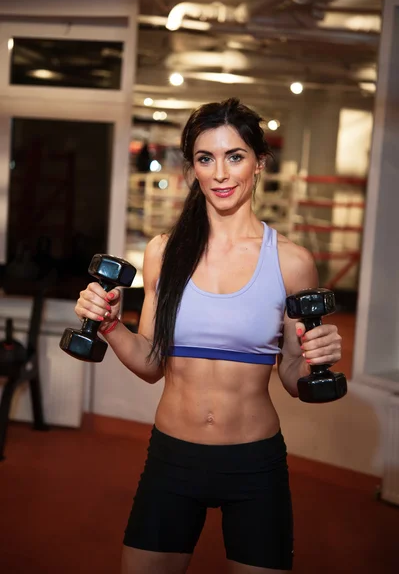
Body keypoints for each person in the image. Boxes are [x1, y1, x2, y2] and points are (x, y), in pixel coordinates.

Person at [75, 97, 342, 574]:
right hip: (172, 457)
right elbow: (152, 365)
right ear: (192, 169)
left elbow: (293, 376)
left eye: (234, 156)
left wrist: (316, 357)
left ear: (259, 163)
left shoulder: (291, 261)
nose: (220, 173)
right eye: (206, 158)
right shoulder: (165, 252)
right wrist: (111, 325)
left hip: (255, 463)